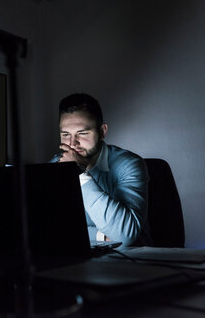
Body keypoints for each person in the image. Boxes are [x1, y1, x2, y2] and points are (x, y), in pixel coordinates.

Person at [51, 93, 152, 247]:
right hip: (76, 259)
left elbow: (124, 235)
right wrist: (101, 235)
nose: (72, 143)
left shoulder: (129, 164)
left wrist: (80, 175)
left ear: (102, 132)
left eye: (83, 133)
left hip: (131, 262)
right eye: (65, 134)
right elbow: (47, 229)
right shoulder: (54, 166)